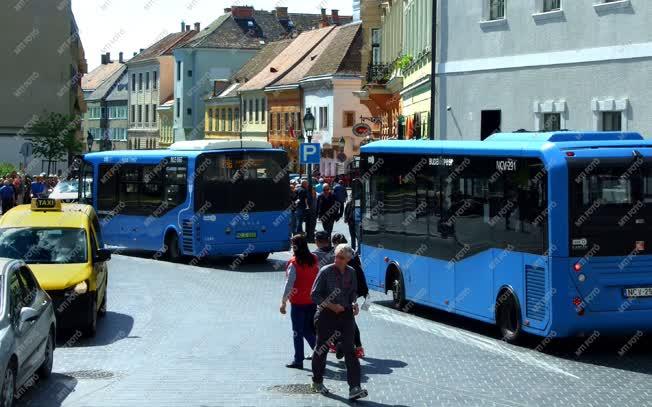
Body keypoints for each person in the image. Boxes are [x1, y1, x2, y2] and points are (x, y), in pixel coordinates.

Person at [310, 244, 368, 400]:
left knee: (350, 349)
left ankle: (355, 388)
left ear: (348, 259)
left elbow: (353, 293)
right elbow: (314, 295)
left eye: (341, 258)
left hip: (346, 316)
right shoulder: (325, 271)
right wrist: (331, 305)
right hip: (326, 315)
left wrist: (355, 304)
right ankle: (317, 381)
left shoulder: (352, 272)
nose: (337, 260)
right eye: (336, 256)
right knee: (322, 348)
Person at [280, 234, 319, 369]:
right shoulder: (314, 259)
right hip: (312, 301)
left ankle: (298, 360)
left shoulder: (294, 263)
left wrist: (283, 301)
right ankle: (319, 352)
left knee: (297, 332)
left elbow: (289, 284)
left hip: (298, 303)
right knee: (309, 329)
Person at [331, 233, 368, 359]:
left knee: (346, 320)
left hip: (347, 295)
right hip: (353, 293)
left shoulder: (345, 260)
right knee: (346, 320)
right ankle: (348, 345)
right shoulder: (352, 255)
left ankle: (353, 346)